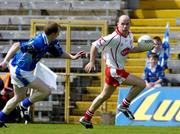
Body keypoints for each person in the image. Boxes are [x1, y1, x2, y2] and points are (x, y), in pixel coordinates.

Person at [0, 21, 85, 128]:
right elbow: (16, 45)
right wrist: (5, 61)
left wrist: (72, 57)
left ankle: (1, 117)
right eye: (58, 32)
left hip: (20, 69)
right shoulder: (38, 42)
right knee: (46, 91)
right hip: (21, 71)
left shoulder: (50, 41)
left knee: (18, 97)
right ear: (53, 34)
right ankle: (24, 105)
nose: (59, 34)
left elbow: (59, 53)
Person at [79, 15, 155, 129]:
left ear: (130, 24)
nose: (125, 26)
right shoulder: (114, 38)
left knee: (104, 96)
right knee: (141, 83)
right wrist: (91, 62)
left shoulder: (129, 35)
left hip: (116, 70)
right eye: (122, 24)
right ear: (117, 25)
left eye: (127, 24)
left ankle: (86, 118)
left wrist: (144, 48)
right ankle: (124, 106)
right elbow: (94, 44)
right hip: (114, 71)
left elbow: (130, 49)